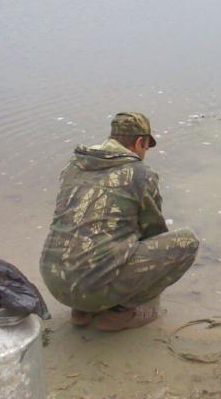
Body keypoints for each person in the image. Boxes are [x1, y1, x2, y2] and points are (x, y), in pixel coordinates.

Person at [40, 112, 199, 331]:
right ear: (139, 142)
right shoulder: (140, 173)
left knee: (88, 231)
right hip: (91, 286)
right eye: (146, 147)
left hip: (54, 279)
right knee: (187, 242)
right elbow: (154, 231)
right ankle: (117, 314)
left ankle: (81, 311)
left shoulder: (74, 165)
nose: (144, 153)